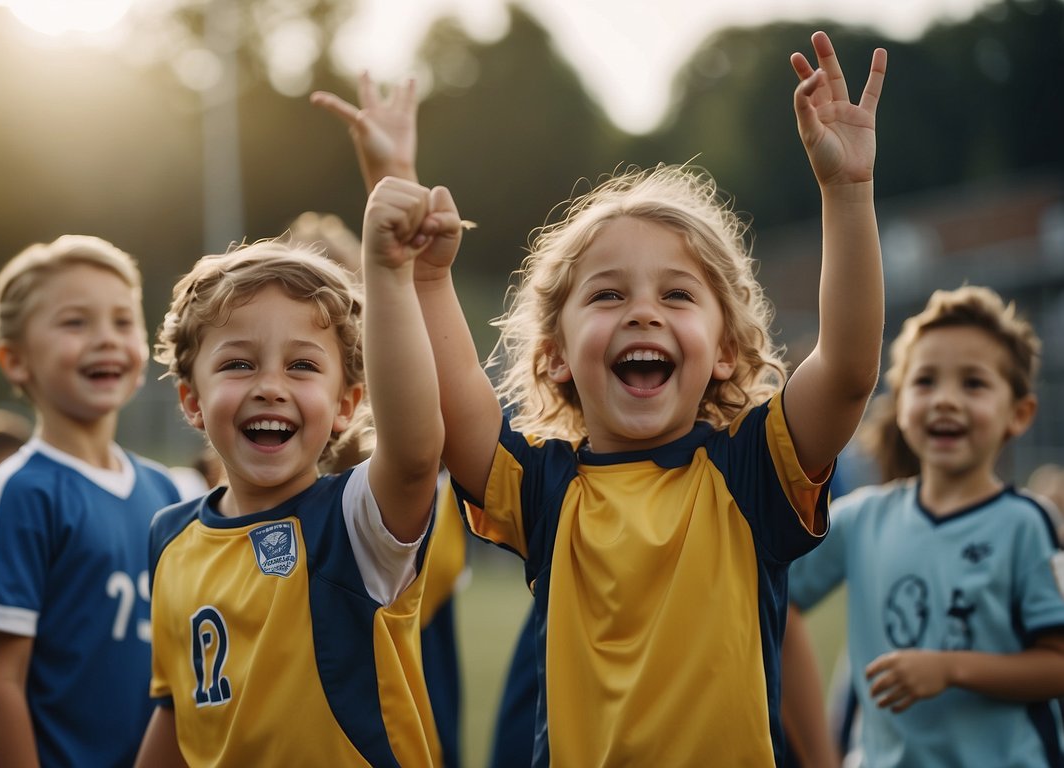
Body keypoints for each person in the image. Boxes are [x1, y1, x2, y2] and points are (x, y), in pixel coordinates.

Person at [394, 30, 888, 764]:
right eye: (608, 293)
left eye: (677, 294)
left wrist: (847, 193)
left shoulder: (753, 472)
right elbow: (458, 398)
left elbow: (847, 369)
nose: (643, 311)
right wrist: (430, 283)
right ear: (556, 357)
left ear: (725, 352)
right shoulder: (544, 490)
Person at [135, 173, 457, 766]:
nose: (270, 388)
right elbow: (177, 709)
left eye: (302, 366)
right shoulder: (168, 537)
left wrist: (387, 275)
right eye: (238, 364)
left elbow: (415, 455)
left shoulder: (354, 522)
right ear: (191, 401)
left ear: (345, 405)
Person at [788, 285, 1064, 767]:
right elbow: (771, 598)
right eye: (925, 382)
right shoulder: (859, 520)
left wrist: (951, 669)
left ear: (1018, 413)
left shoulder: (1028, 524)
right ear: (899, 404)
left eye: (973, 384)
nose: (945, 400)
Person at [0, 234, 188, 768]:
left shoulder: (167, 492)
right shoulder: (19, 491)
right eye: (75, 322)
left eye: (122, 321)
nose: (106, 339)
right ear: (15, 361)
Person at [310, 76, 470, 765]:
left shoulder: (387, 495)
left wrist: (394, 176)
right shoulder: (196, 524)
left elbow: (412, 426)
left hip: (414, 657)